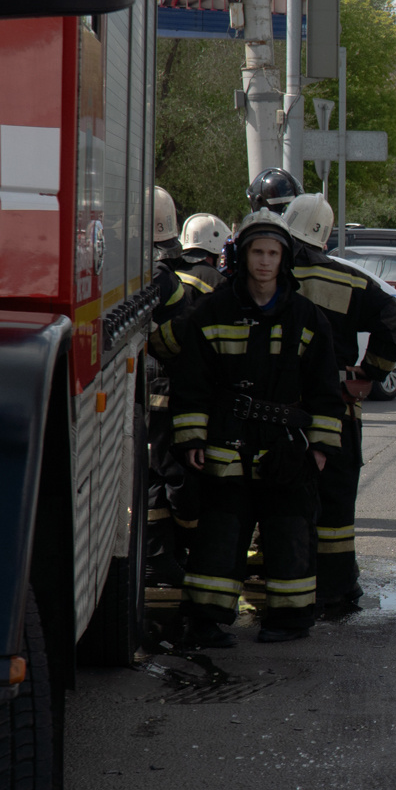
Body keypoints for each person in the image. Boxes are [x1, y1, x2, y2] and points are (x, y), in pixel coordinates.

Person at [168, 211, 345, 646]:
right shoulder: (213, 311)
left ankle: (289, 620)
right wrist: (191, 437)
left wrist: (320, 447)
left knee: (289, 531)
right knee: (221, 533)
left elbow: (325, 387)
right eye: (257, 253)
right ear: (243, 257)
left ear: (283, 260)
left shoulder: (306, 316)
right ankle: (206, 621)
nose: (264, 262)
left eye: (272, 253)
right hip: (228, 439)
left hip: (287, 444)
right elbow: (191, 381)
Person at [280, 192, 396, 609]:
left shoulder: (265, 271)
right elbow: (392, 318)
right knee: (335, 502)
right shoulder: (349, 280)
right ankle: (336, 589)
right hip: (336, 406)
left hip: (278, 404)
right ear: (326, 235)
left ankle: (278, 580)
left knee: (280, 497)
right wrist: (371, 370)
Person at [144, 202, 228, 589]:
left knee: (155, 476)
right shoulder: (216, 280)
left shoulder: (158, 274)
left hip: (150, 390)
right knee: (184, 478)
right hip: (189, 393)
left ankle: (160, 556)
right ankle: (188, 552)